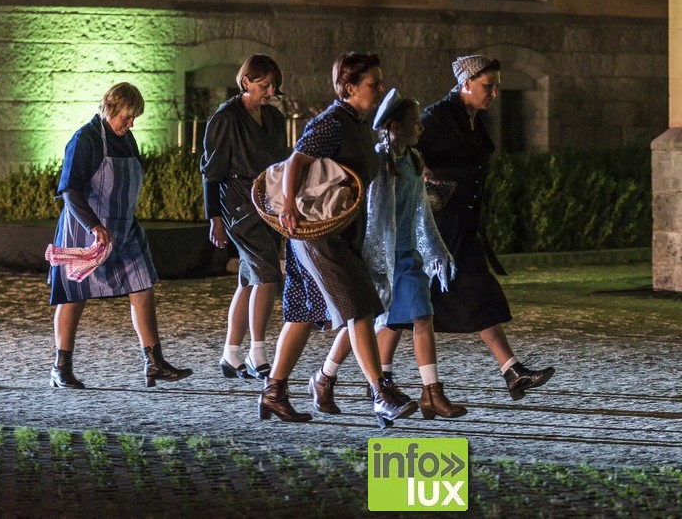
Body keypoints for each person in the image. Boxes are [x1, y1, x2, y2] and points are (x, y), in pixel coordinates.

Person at [259, 52, 418, 427]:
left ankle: (274, 392)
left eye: (379, 82)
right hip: (318, 235)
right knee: (359, 307)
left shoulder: (360, 124)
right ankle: (382, 394)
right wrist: (290, 211)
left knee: (304, 313)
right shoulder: (332, 122)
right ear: (349, 88)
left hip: (341, 233)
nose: (380, 88)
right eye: (372, 83)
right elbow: (297, 160)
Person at [310, 90, 467, 419]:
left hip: (407, 255)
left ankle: (431, 393)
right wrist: (370, 258)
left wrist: (435, 247)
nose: (420, 128)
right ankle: (326, 377)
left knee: (422, 317)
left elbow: (422, 211)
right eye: (414, 123)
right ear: (394, 126)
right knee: (361, 323)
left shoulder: (413, 159)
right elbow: (371, 211)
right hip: (379, 257)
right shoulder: (380, 159)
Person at [415, 55, 555, 400]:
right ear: (465, 84)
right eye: (487, 86)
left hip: (464, 222)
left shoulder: (474, 119)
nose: (493, 94)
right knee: (404, 307)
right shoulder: (437, 116)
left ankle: (512, 370)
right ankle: (352, 377)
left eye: (495, 87)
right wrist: (427, 180)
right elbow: (406, 153)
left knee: (478, 291)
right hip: (440, 226)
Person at [48, 82, 192, 389]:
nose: (130, 124)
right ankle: (61, 367)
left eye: (133, 118)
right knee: (75, 295)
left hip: (124, 228)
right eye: (126, 117)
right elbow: (69, 191)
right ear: (109, 109)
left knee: (142, 285)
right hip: (83, 230)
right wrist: (93, 226)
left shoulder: (127, 140)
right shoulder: (85, 139)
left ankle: (154, 363)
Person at [201, 54, 289, 381]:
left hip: (269, 203)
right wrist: (214, 217)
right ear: (246, 82)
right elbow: (211, 173)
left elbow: (282, 165)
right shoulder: (225, 119)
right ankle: (258, 353)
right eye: (263, 85)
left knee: (249, 279)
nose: (269, 92)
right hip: (238, 204)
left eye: (273, 86)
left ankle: (231, 354)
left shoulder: (275, 119)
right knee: (267, 275)